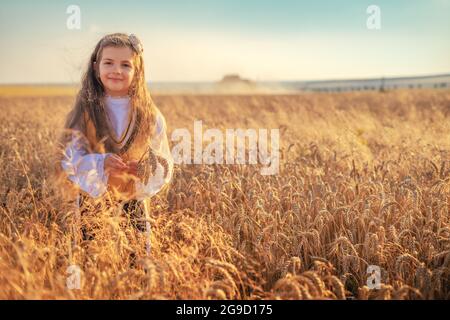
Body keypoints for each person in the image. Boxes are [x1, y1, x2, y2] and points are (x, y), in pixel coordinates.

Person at [57, 33, 173, 255]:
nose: (117, 70)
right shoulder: (85, 112)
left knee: (136, 259)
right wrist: (101, 163)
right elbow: (70, 157)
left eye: (126, 65)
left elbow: (163, 157)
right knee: (91, 257)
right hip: (93, 199)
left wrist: (147, 169)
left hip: (133, 199)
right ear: (95, 67)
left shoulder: (149, 114)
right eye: (108, 62)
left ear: (137, 70)